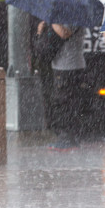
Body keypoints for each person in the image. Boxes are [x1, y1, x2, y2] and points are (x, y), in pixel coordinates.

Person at [38, 21, 86, 151]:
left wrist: (51, 22)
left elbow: (64, 33)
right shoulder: (66, 14)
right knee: (62, 102)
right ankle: (67, 137)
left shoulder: (74, 14)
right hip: (61, 66)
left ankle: (68, 138)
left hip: (69, 66)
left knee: (66, 102)